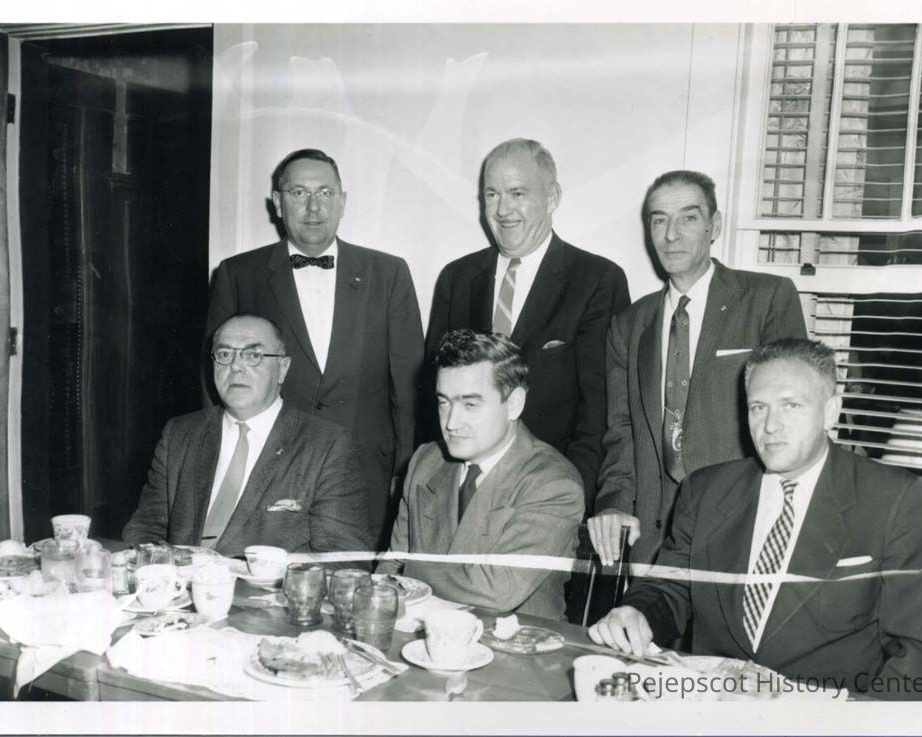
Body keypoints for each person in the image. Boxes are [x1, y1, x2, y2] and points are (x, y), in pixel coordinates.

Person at [589, 339, 922, 700]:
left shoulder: (892, 499)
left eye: (790, 405)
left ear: (830, 412)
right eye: (758, 407)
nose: (770, 425)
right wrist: (637, 612)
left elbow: (917, 652)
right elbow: (672, 587)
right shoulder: (706, 490)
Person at [204, 149, 424, 548]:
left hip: (366, 472)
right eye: (299, 192)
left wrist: (407, 472)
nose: (313, 207)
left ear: (343, 201)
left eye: (325, 193)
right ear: (278, 202)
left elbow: (410, 386)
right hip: (267, 467)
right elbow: (217, 381)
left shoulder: (389, 273)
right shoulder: (238, 275)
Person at [590, 170, 807, 565]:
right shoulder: (629, 325)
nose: (671, 234)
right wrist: (614, 503)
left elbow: (792, 421)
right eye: (659, 220)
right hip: (653, 542)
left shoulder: (767, 299)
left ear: (715, 226)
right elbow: (621, 431)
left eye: (688, 218)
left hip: (741, 533)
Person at [426, 139, 630, 508]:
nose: (503, 209)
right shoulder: (456, 279)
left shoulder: (597, 280)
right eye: (492, 194)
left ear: (552, 197)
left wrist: (571, 498)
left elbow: (599, 411)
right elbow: (434, 396)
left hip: (549, 493)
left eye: (517, 193)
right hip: (460, 493)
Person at [123, 314, 373, 560]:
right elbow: (145, 530)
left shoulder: (327, 445)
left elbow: (342, 560)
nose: (235, 367)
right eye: (224, 354)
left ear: (282, 369)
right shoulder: (180, 434)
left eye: (253, 355)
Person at [378, 329, 584, 619]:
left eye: (470, 405)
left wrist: (410, 574)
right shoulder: (426, 461)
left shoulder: (553, 481)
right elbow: (390, 567)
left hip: (514, 642)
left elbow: (497, 591)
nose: (451, 422)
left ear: (514, 404)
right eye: (444, 402)